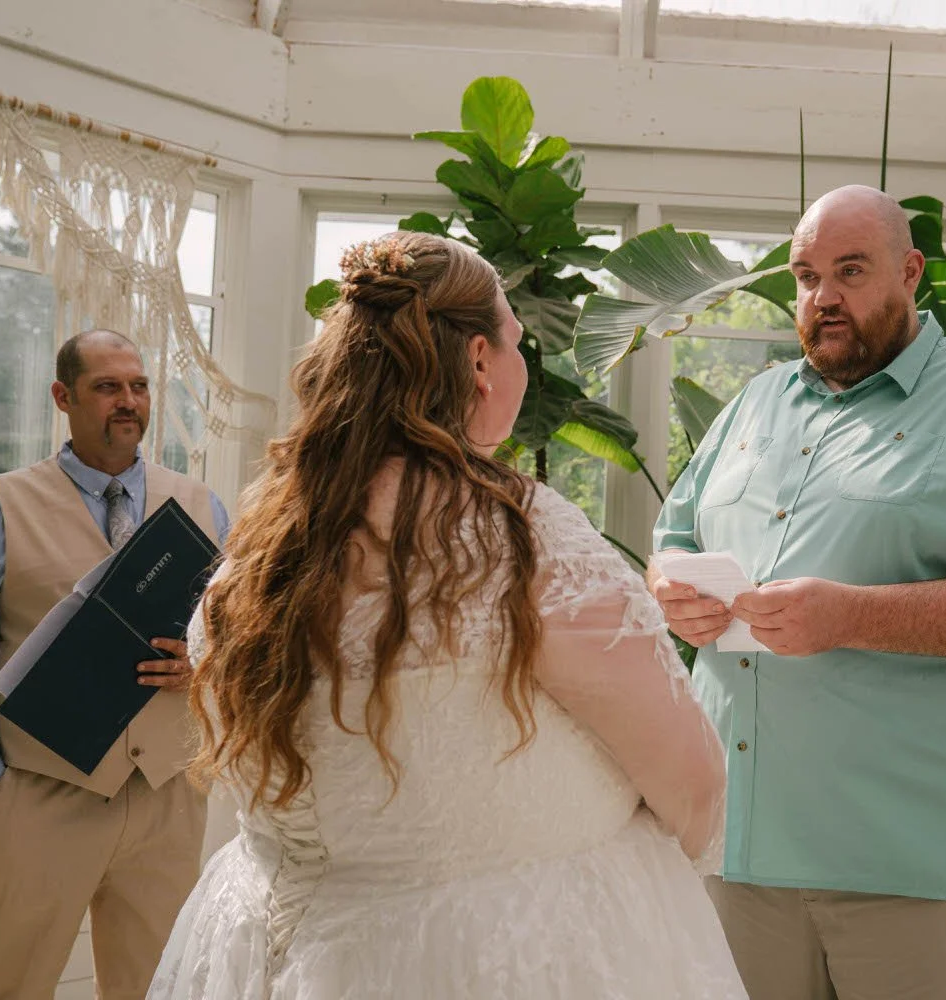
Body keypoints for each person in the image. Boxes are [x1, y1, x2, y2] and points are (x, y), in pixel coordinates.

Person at [148, 231, 746, 999]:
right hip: (505, 955)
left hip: (267, 946)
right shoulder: (527, 541)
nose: (523, 363)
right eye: (518, 342)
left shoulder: (267, 543)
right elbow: (691, 781)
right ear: (478, 361)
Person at [649, 185, 946, 1000]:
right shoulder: (757, 402)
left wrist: (851, 616)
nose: (823, 297)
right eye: (805, 276)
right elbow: (674, 540)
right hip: (737, 857)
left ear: (911, 272)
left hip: (922, 870)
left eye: (851, 270)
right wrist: (671, 588)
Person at [0, 329, 232, 1000]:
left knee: (161, 988)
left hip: (165, 800)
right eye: (107, 387)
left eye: (140, 386)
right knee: (8, 987)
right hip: (37, 797)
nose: (129, 402)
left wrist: (203, 666)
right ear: (63, 396)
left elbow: (243, 640)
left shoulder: (203, 507)